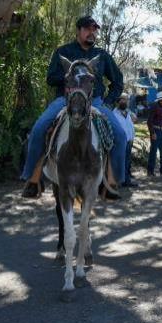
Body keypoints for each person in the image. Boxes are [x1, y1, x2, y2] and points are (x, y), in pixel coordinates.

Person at [21, 15, 126, 197]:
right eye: (87, 29)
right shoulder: (63, 51)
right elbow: (50, 78)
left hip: (96, 101)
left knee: (121, 135)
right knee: (39, 129)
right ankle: (33, 179)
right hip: (65, 99)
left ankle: (112, 183)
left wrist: (108, 102)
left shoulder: (102, 56)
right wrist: (69, 76)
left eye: (94, 30)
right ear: (78, 31)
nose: (91, 33)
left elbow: (117, 81)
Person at [113, 93, 138, 188]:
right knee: (120, 162)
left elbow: (134, 122)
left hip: (129, 142)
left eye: (127, 100)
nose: (125, 101)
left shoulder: (128, 113)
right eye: (123, 99)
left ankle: (126, 180)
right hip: (120, 143)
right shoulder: (114, 114)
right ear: (118, 101)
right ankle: (119, 181)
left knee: (127, 162)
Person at [147, 91, 162, 176]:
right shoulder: (154, 107)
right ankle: (150, 171)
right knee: (153, 152)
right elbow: (149, 121)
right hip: (156, 131)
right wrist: (152, 133)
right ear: (161, 100)